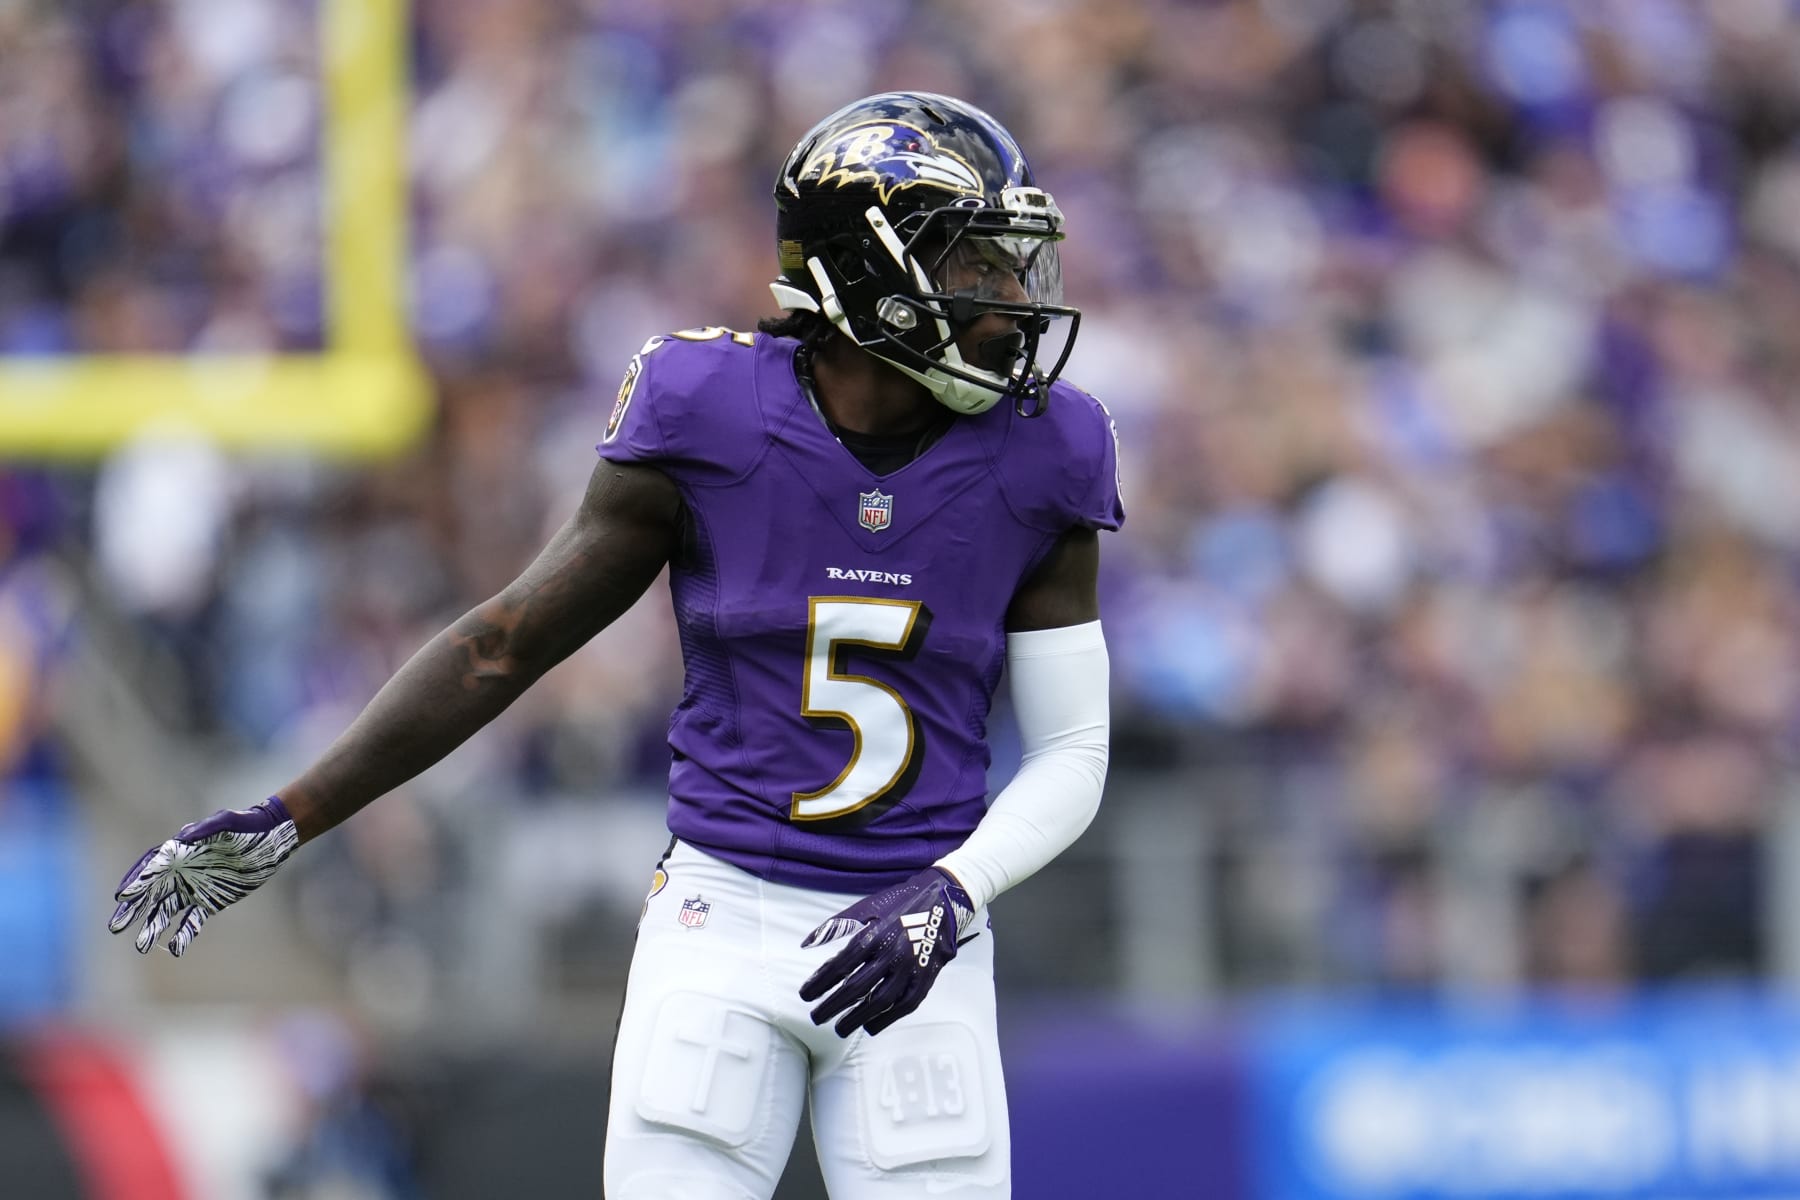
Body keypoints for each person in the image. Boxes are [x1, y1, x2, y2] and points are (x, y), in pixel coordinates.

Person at [110, 91, 1123, 1199]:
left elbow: (1074, 746)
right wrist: (289, 817)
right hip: (722, 920)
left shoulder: (1049, 449)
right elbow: (504, 644)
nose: (1013, 301)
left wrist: (955, 890)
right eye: (977, 266)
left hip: (923, 934)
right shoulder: (709, 408)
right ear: (865, 276)